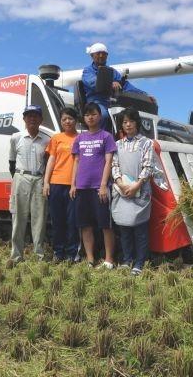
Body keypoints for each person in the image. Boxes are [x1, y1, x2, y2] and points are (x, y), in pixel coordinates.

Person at [70, 102, 117, 268]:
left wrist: (104, 185)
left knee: (105, 225)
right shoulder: (79, 138)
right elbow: (76, 162)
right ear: (84, 118)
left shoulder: (106, 137)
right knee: (85, 225)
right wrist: (73, 184)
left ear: (100, 116)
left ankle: (109, 259)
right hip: (82, 188)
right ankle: (90, 259)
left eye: (94, 114)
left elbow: (109, 161)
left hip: (99, 188)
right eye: (87, 114)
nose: (90, 117)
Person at [111, 108, 154, 275]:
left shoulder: (146, 143)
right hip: (122, 190)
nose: (128, 125)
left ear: (137, 122)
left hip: (140, 190)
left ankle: (139, 262)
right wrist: (121, 184)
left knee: (140, 228)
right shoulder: (117, 144)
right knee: (124, 228)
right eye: (124, 122)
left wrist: (136, 185)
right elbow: (115, 166)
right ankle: (127, 259)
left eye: (131, 121)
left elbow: (148, 166)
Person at [8, 105, 49, 263]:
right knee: (18, 218)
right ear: (24, 119)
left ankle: (39, 255)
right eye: (29, 115)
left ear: (41, 120)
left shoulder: (47, 140)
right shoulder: (15, 138)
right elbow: (11, 163)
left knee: (39, 219)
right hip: (21, 177)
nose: (32, 118)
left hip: (40, 179)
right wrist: (19, 178)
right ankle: (16, 256)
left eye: (36, 116)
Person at [82, 42, 148, 130]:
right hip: (95, 102)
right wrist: (110, 84)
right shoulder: (88, 71)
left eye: (104, 54)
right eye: (98, 54)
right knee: (103, 116)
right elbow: (93, 83)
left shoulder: (112, 71)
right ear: (92, 56)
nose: (101, 56)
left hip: (112, 102)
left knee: (127, 117)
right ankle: (99, 139)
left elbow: (126, 85)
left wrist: (145, 94)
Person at [43, 108, 79, 263]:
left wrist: (75, 184)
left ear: (75, 120)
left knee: (72, 221)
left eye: (70, 118)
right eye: (64, 119)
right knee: (58, 221)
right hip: (56, 184)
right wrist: (46, 182)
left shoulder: (81, 138)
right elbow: (51, 160)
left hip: (74, 186)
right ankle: (58, 252)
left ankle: (71, 254)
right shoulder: (56, 138)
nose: (67, 122)